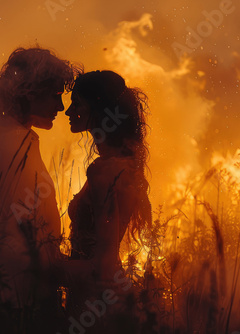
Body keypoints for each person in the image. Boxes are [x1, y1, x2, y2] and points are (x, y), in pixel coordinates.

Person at [0, 47, 78, 331]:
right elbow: (8, 245)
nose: (60, 107)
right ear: (28, 92)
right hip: (22, 307)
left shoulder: (13, 140)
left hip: (21, 302)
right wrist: (83, 274)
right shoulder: (7, 146)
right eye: (53, 95)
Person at [64, 70, 152, 326]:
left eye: (77, 104)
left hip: (96, 309)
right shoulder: (120, 164)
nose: (69, 112)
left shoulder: (105, 172)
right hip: (99, 304)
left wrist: (41, 266)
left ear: (99, 110)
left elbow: (101, 269)